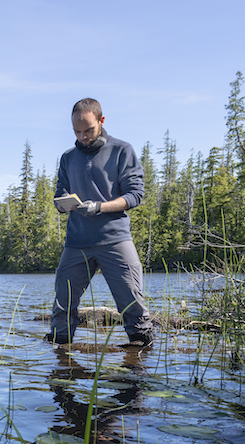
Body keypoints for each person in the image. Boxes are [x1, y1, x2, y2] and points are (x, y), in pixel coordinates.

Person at [46, 98, 154, 346]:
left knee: (132, 301)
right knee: (63, 302)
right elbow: (61, 192)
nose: (82, 137)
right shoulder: (68, 158)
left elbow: (135, 195)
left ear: (101, 121)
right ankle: (60, 351)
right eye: (76, 132)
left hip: (115, 239)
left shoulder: (122, 150)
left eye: (88, 130)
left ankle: (139, 352)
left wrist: (99, 207)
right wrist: (61, 202)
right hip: (77, 242)